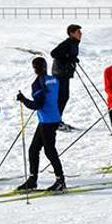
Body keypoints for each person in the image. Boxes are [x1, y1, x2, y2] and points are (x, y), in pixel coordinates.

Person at [16, 57, 66, 191]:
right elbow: (60, 97)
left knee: (49, 150)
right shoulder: (54, 80)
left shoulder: (37, 83)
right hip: (53, 118)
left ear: (34, 68)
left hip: (47, 121)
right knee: (34, 149)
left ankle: (60, 180)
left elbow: (37, 104)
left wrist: (23, 100)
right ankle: (33, 180)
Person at [50, 24, 81, 124]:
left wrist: (72, 59)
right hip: (59, 73)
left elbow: (67, 55)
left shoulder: (74, 43)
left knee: (64, 97)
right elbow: (54, 53)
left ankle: (57, 119)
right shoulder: (67, 43)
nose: (80, 34)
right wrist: (68, 58)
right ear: (71, 33)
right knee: (61, 97)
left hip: (64, 73)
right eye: (78, 32)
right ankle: (55, 120)